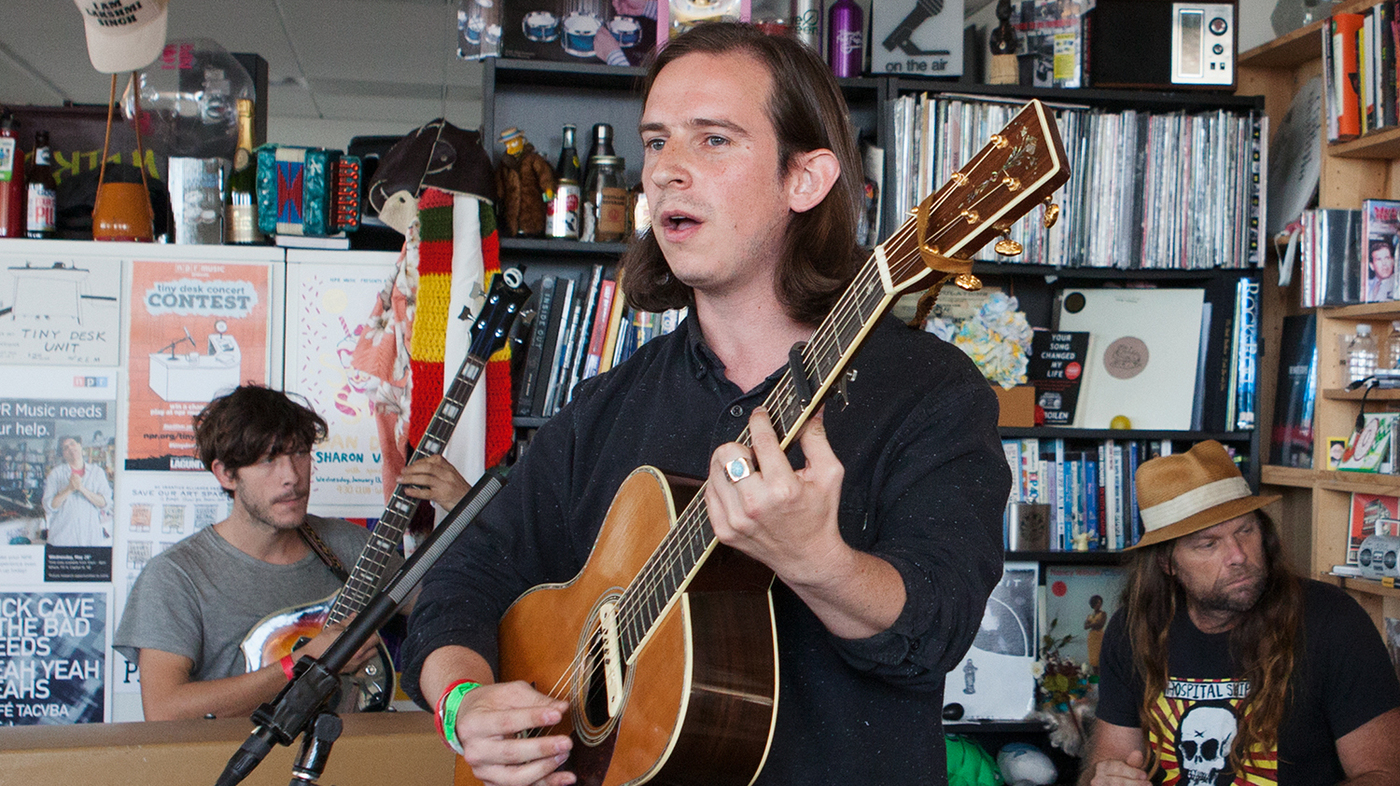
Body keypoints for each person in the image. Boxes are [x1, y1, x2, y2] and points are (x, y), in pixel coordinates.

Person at [400, 22, 1009, 786]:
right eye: (656, 143)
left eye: (713, 140)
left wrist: (817, 563)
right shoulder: (606, 405)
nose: (665, 173)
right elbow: (470, 571)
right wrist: (462, 700)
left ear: (806, 178)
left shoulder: (930, 391)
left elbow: (937, 629)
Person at [113, 385, 465, 721]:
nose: (292, 477)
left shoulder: (352, 545)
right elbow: (165, 710)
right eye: (268, 460)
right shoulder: (177, 575)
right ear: (225, 474)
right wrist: (303, 661)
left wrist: (467, 505)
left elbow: (459, 605)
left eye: (299, 453)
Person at [1080, 440, 1400, 786]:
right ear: (1167, 562)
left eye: (1245, 531)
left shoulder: (1333, 621)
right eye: (1209, 543)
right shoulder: (1134, 629)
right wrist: (1105, 779)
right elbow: (1103, 767)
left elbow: (1384, 775)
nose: (1238, 555)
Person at [41, 435, 112, 546]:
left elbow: (104, 503)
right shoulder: (55, 474)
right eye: (65, 448)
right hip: (62, 540)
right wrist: (69, 488)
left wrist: (81, 488)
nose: (70, 448)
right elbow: (49, 506)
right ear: (63, 455)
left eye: (72, 444)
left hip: (90, 540)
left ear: (80, 446)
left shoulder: (97, 472)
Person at [1083, 594, 1106, 671]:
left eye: (1100, 603)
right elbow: (1085, 626)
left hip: (1099, 637)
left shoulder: (1103, 614)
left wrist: (1091, 624)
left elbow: (1100, 624)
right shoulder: (1090, 615)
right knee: (1093, 657)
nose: (1099, 605)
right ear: (1093, 604)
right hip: (1092, 638)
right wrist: (1094, 623)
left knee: (1100, 656)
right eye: (1097, 603)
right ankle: (1095, 674)